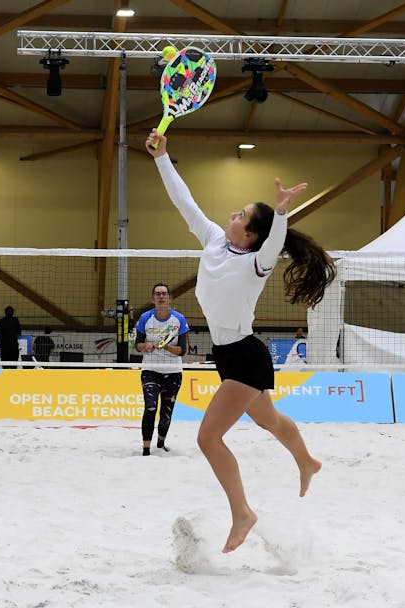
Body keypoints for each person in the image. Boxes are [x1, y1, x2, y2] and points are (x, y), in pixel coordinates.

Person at [147, 131, 335, 554]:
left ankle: (242, 513)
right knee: (268, 420)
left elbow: (274, 241)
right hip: (228, 355)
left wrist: (282, 211)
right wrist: (162, 157)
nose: (231, 215)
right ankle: (306, 461)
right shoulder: (214, 240)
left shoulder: (257, 262)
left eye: (240, 214)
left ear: (250, 235)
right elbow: (184, 201)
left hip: (247, 357)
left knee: (208, 439)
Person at [133, 283, 189, 456]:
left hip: (173, 371)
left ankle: (161, 443)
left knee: (166, 411)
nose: (161, 296)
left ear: (169, 298)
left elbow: (183, 350)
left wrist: (166, 347)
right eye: (158, 294)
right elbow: (137, 346)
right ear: (153, 299)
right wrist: (147, 346)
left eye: (164, 293)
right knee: (150, 407)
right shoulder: (145, 318)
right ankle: (146, 449)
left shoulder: (178, 319)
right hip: (151, 369)